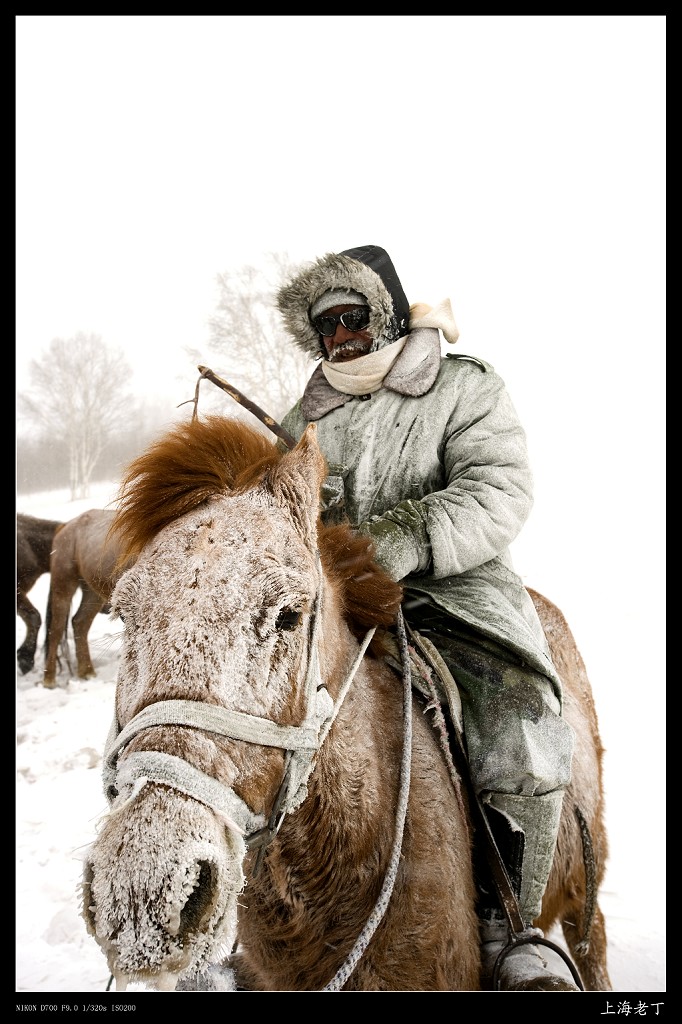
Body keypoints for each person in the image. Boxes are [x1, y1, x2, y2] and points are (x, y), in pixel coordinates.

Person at [275, 244, 578, 991]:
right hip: (338, 605)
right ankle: (252, 917)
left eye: (352, 318)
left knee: (513, 716)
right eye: (326, 327)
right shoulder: (300, 419)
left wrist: (401, 538)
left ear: (383, 314)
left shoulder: (462, 388)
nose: (340, 337)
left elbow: (500, 487)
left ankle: (514, 924)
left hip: (455, 592)